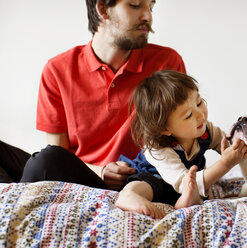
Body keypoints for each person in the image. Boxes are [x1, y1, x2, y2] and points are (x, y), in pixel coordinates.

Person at [0, 0, 186, 191]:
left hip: (137, 179)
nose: (148, 16)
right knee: (41, 158)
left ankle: (22, 194)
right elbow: (59, 155)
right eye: (135, 5)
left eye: (151, 7)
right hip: (81, 174)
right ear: (103, 9)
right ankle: (17, 197)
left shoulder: (167, 63)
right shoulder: (57, 70)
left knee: (43, 162)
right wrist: (102, 171)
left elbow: (183, 142)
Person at [114, 70, 247, 218]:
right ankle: (129, 196)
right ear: (164, 129)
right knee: (145, 184)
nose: (200, 115)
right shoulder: (158, 148)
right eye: (188, 115)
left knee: (197, 194)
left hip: (185, 187)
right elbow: (184, 181)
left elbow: (238, 148)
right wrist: (225, 163)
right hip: (157, 179)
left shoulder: (205, 130)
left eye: (199, 103)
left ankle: (185, 202)